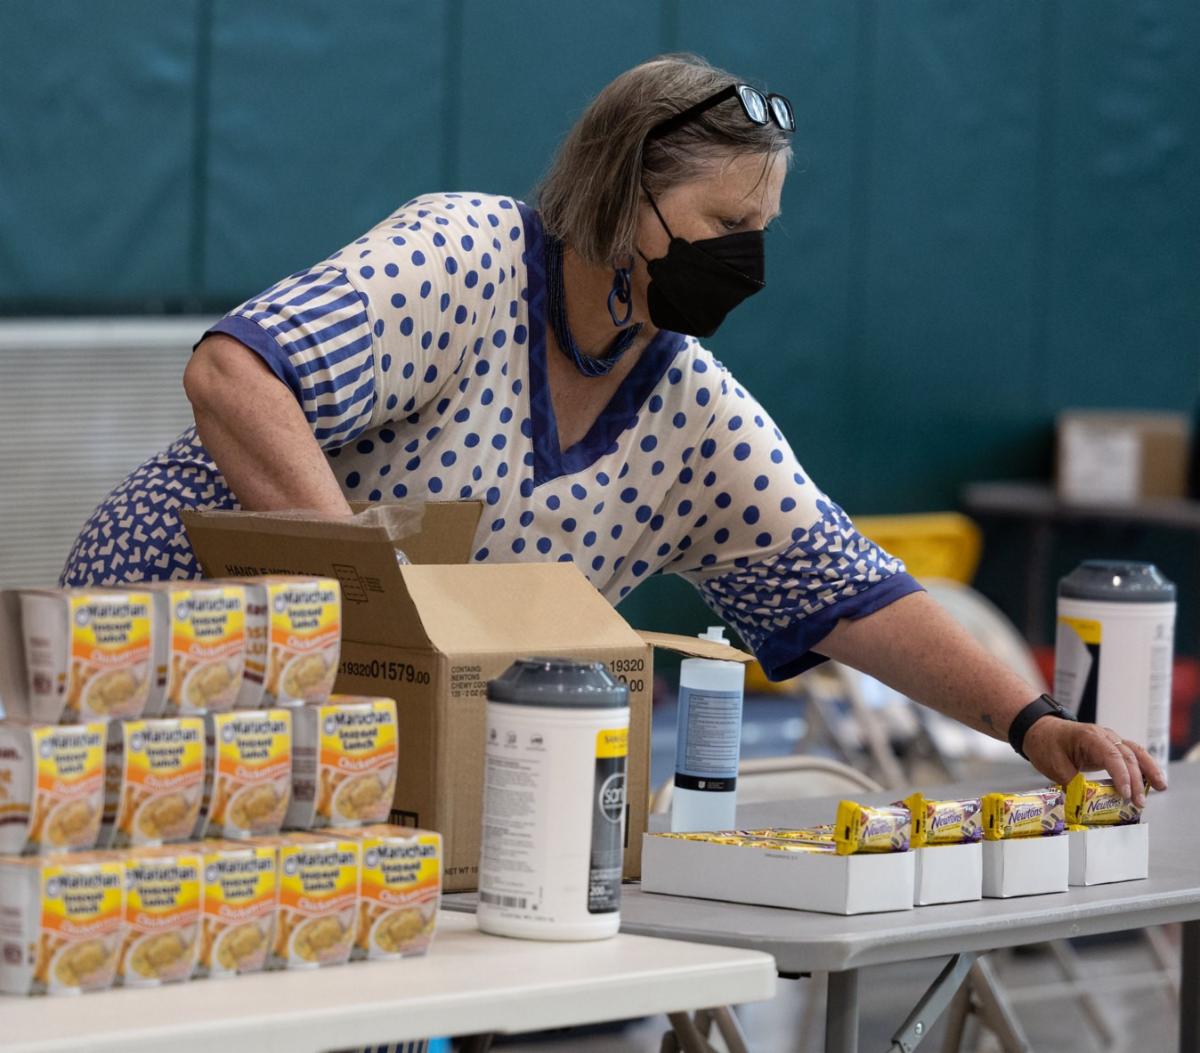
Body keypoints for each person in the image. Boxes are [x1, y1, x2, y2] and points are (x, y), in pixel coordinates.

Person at [63, 53, 1162, 802]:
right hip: (157, 657)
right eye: (726, 224)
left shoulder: (690, 414)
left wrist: (1030, 725)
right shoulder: (466, 260)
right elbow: (235, 375)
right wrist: (378, 612)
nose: (749, 259)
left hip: (357, 739)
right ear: (623, 190)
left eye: (763, 230)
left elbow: (849, 591)